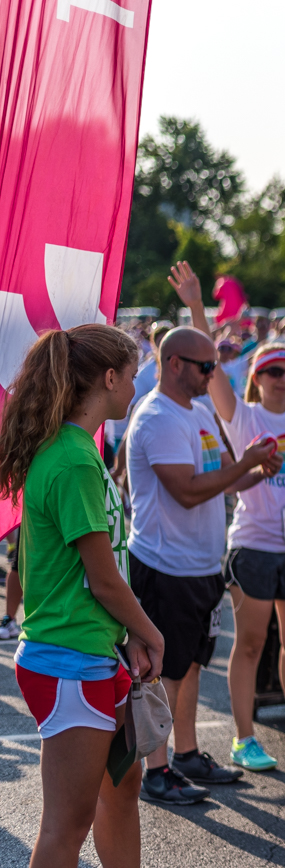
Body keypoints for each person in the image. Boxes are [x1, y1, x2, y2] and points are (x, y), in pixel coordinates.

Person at [168, 258, 285, 772]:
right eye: (274, 370)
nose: (284, 376)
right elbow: (207, 366)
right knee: (250, 645)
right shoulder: (242, 415)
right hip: (253, 546)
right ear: (257, 378)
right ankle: (243, 738)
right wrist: (194, 307)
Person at [1, 324, 164, 867]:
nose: (137, 387)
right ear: (109, 378)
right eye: (133, 376)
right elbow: (104, 579)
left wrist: (126, 636)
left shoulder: (77, 450)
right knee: (64, 827)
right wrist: (148, 631)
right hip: (69, 657)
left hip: (90, 649)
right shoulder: (72, 460)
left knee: (123, 784)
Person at [125, 315, 279, 804]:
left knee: (190, 665)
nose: (214, 374)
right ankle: (157, 769)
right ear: (174, 365)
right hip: (165, 566)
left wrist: (253, 471)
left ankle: (187, 753)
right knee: (160, 671)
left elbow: (221, 479)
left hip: (199, 566)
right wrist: (246, 463)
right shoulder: (157, 417)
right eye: (206, 366)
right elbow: (188, 492)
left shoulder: (193, 411)